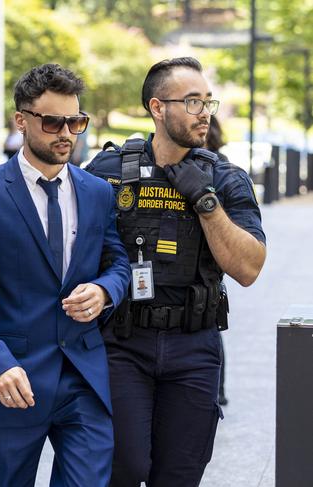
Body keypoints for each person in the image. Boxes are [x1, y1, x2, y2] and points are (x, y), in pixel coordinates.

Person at [0, 63, 131, 487]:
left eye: (76, 122)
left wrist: (104, 291)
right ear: (21, 121)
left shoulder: (98, 192)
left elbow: (118, 262)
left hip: (83, 376)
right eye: (52, 122)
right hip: (13, 378)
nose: (65, 133)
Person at [85, 57, 266, 486]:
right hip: (122, 344)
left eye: (208, 101)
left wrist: (205, 202)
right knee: (122, 469)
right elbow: (65, 239)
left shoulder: (225, 179)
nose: (205, 112)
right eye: (191, 101)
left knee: (181, 475)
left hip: (194, 346)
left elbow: (248, 268)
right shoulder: (107, 172)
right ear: (157, 107)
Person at [206, 114, 229, 406]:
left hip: (211, 257)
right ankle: (220, 388)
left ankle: (219, 387)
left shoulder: (220, 166)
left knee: (211, 321)